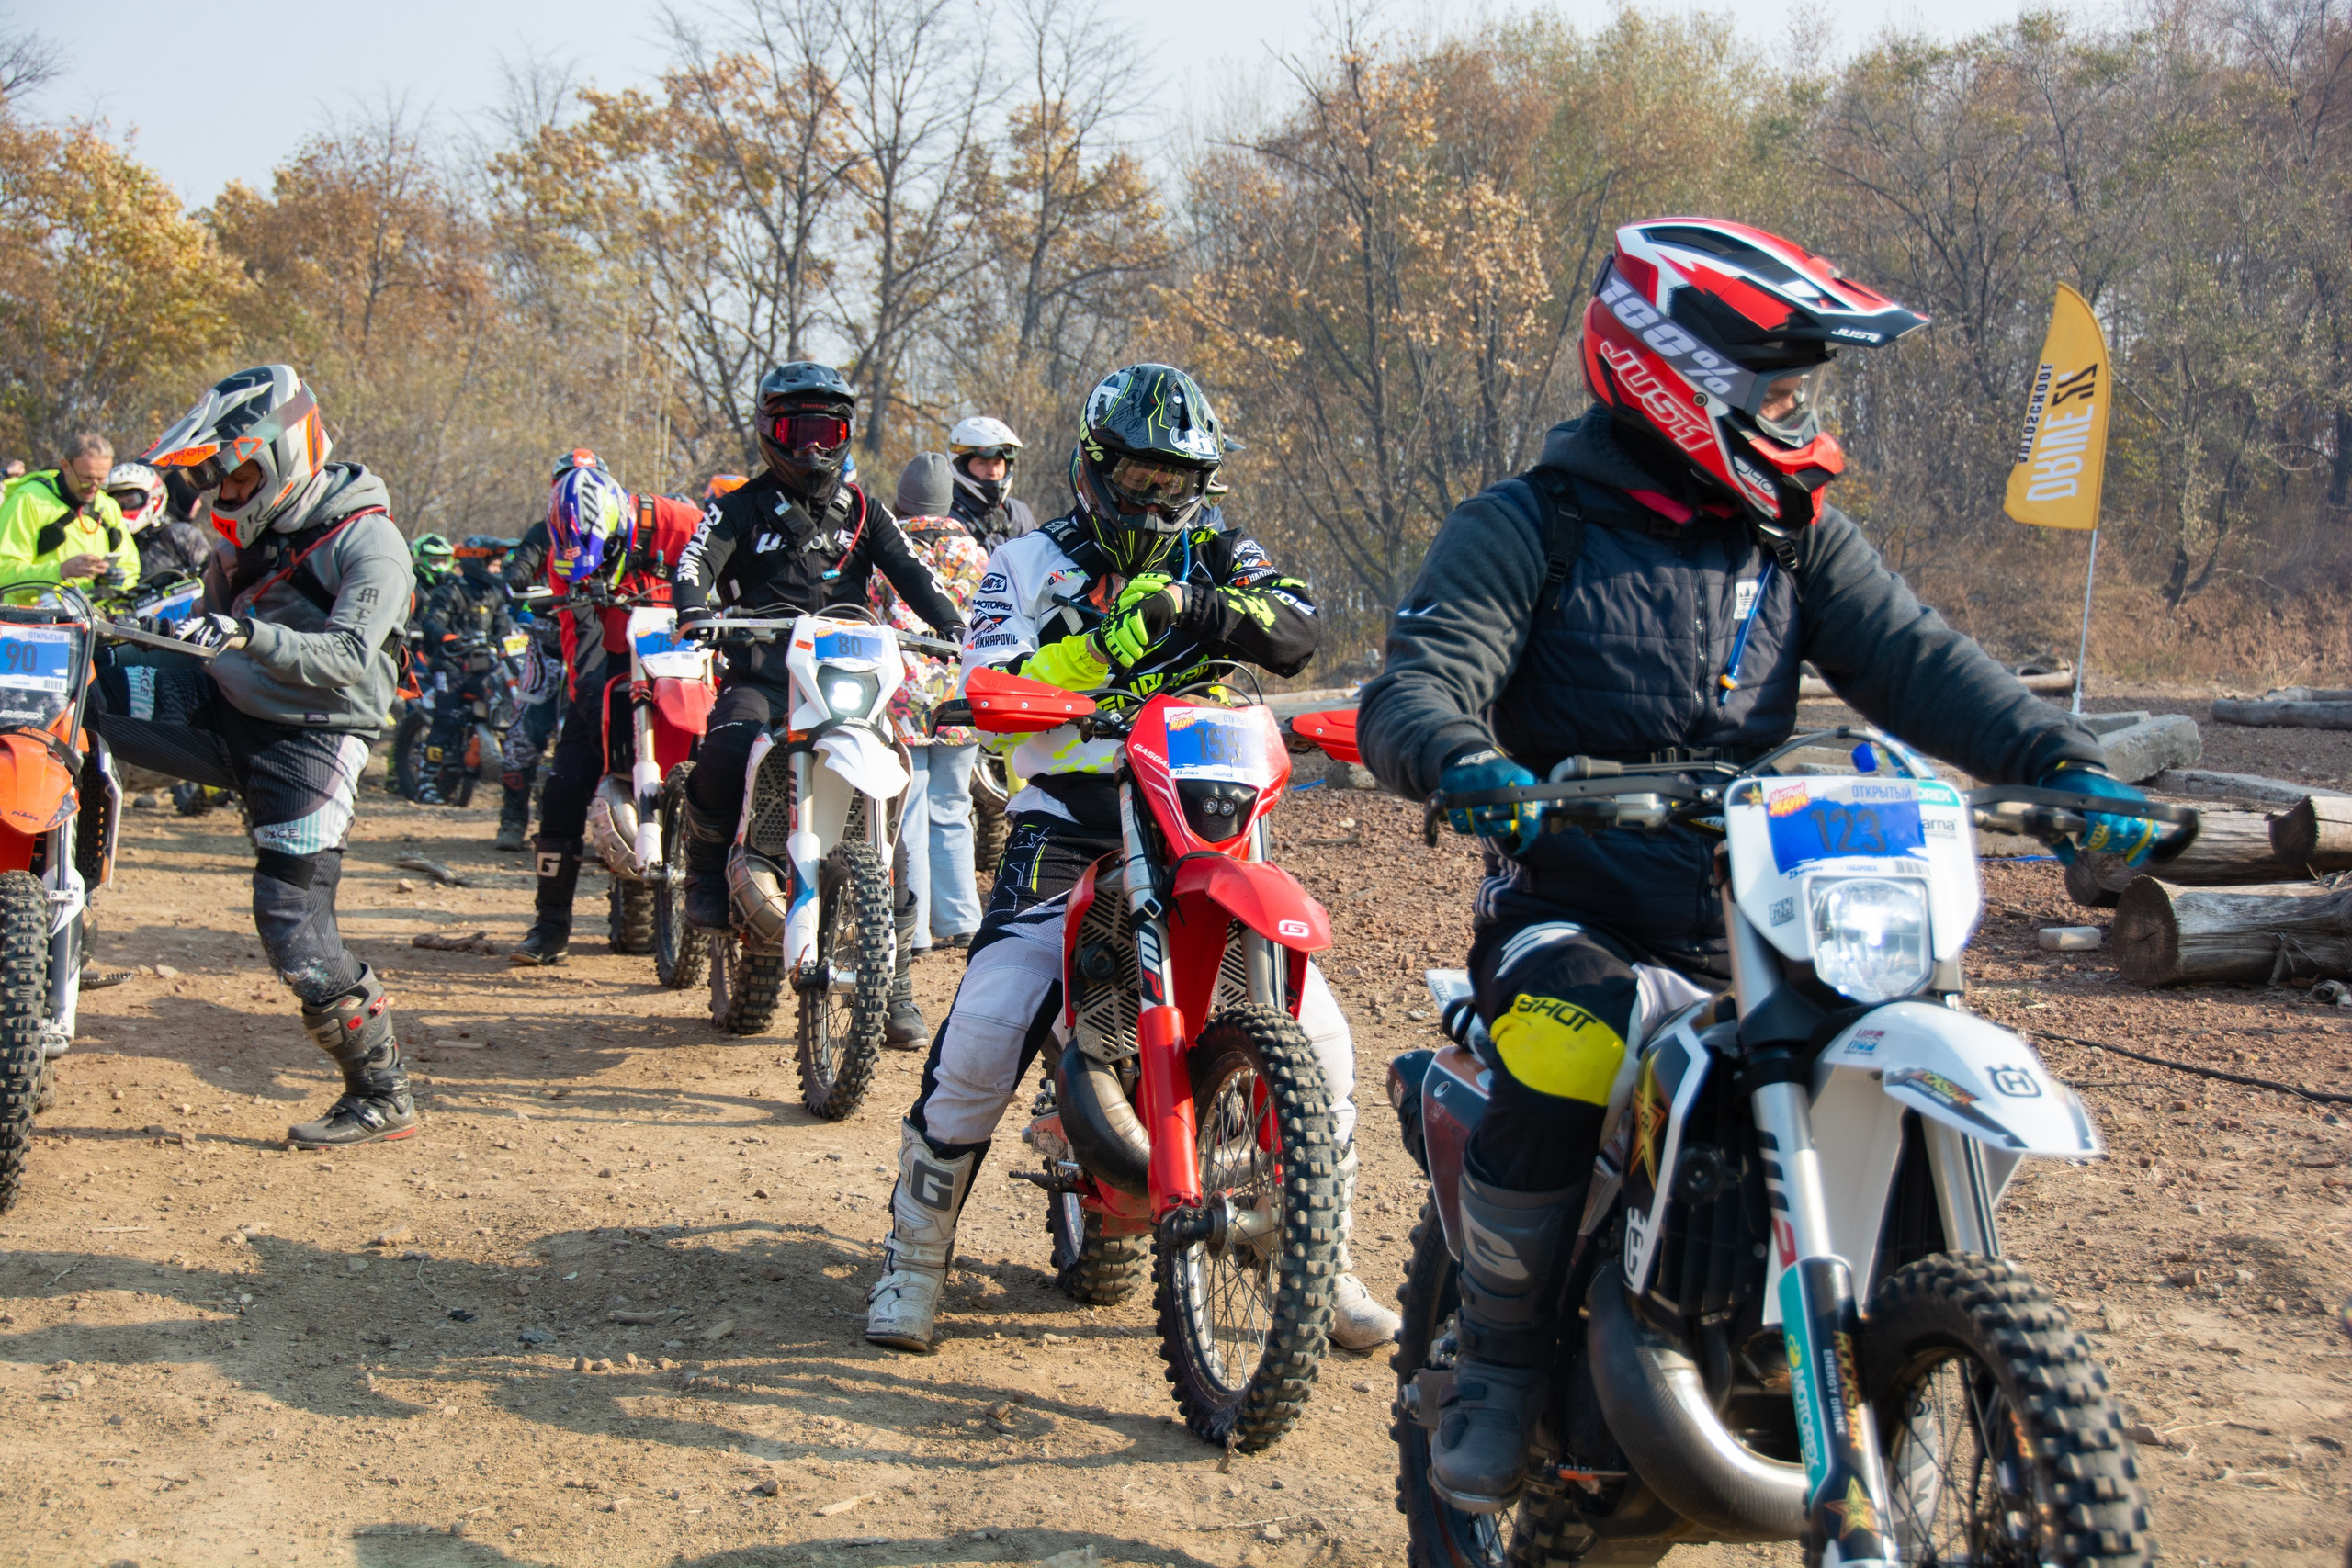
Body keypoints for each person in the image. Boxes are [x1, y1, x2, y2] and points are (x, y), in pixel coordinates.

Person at [1355, 217, 2159, 1511]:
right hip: (1576, 899)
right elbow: (1422, 677)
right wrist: (1466, 763)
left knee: (1901, 1025)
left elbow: (1916, 659)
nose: (1798, 415)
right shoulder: (1529, 523)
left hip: (1771, 912)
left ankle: (1904, 1324)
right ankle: (1498, 1363)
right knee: (1570, 1030)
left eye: (1800, 390)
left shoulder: (1793, 535)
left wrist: (2064, 766)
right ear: (1675, 375)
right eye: (1777, 387)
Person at [863, 362, 1401, 1356]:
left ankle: (1320, 1258)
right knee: (989, 1020)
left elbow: (1299, 626)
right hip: (1073, 815)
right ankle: (914, 1257)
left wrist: (1195, 612)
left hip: (1206, 815)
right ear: (1096, 467)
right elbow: (989, 681)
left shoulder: (1219, 546)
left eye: (1178, 479)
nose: (1160, 498)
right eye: (1142, 477)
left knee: (1319, 1033)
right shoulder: (1025, 560)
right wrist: (1107, 646)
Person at [110, 365, 417, 1147]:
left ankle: (381, 1092)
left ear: (283, 456)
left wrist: (248, 635)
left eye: (238, 472)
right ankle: (45, 913)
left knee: (292, 926)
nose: (225, 490)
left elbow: (349, 655)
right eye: (215, 477)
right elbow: (209, 625)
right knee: (83, 691)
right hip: (223, 704)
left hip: (313, 736)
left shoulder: (369, 537)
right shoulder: (238, 539)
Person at [672, 362, 966, 1046]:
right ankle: (709, 877)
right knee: (723, 745)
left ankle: (891, 987)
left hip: (847, 681)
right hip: (765, 675)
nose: (812, 447)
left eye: (826, 430)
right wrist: (692, 606)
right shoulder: (738, 506)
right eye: (796, 430)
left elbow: (913, 575)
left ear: (846, 434)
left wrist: (952, 624)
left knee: (890, 797)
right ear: (771, 431)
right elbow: (695, 563)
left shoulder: (866, 510)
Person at [508, 466, 704, 965]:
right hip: (616, 659)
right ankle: (549, 924)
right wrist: (595, 708)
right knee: (565, 783)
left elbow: (730, 567)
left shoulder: (679, 521)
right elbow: (580, 646)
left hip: (688, 656)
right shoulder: (562, 555)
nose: (593, 574)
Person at [873, 453, 988, 987]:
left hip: (900, 696)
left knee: (908, 810)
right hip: (958, 696)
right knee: (954, 806)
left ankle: (912, 929)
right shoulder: (973, 552)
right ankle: (962, 918)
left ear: (902, 499)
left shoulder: (887, 548)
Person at [412, 536, 519, 805]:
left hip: (484, 667)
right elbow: (433, 622)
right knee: (448, 716)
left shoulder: (493, 594)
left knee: (510, 705)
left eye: (498, 566)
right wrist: (449, 637)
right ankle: (426, 781)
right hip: (451, 667)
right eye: (493, 565)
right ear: (476, 562)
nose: (497, 571)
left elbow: (504, 629)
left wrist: (515, 642)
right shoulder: (450, 591)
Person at [497, 512, 564, 852]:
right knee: (525, 729)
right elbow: (521, 566)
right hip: (549, 639)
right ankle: (513, 818)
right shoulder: (545, 531)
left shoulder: (618, 531)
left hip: (601, 636)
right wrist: (520, 578)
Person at [0, 429, 137, 591]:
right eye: (86, 478)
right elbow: (5, 572)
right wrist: (61, 571)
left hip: (92, 613)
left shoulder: (106, 506)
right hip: (36, 613)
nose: (93, 487)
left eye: (100, 479)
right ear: (65, 466)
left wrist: (114, 580)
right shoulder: (28, 500)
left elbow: (131, 568)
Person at [104, 462, 217, 588]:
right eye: (117, 504)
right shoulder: (109, 541)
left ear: (153, 497)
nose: (123, 509)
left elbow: (214, 580)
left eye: (131, 501)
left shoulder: (180, 535)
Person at [946, 416, 1034, 552]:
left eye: (997, 463)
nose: (993, 472)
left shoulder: (1019, 513)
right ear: (961, 465)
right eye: (982, 463)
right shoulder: (948, 518)